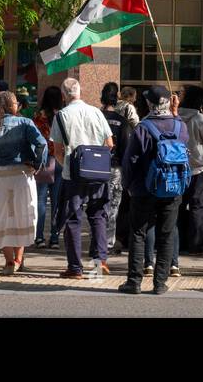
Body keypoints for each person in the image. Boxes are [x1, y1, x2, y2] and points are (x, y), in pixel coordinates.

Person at [118, 85, 188, 295]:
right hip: (173, 188)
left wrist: (127, 185)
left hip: (143, 189)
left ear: (149, 104)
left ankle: (134, 281)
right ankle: (160, 283)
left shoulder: (143, 127)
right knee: (166, 235)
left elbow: (130, 160)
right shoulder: (180, 126)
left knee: (138, 233)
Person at [0, 89, 48, 275]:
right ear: (12, 106)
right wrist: (37, 164)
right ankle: (18, 259)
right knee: (20, 215)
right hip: (20, 174)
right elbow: (42, 143)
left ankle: (8, 262)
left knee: (0, 219)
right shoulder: (25, 123)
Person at [50, 77, 115, 278]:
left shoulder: (61, 116)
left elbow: (58, 150)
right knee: (98, 217)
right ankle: (99, 264)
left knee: (72, 219)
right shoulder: (96, 112)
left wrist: (68, 166)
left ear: (63, 96)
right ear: (81, 92)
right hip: (98, 174)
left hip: (74, 175)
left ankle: (75, 268)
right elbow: (110, 143)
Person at [176, 84, 203, 255]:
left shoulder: (174, 116)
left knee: (177, 206)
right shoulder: (201, 119)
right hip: (198, 169)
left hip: (176, 169)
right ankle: (195, 243)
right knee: (197, 207)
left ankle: (177, 241)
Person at [32, 84, 65, 249]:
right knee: (57, 201)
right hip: (60, 160)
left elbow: (34, 138)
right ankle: (54, 237)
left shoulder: (39, 116)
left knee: (41, 200)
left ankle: (39, 237)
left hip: (45, 161)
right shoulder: (64, 116)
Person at [100, 83, 130, 250]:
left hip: (95, 166)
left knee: (96, 203)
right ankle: (109, 242)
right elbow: (126, 147)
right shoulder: (121, 121)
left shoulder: (95, 116)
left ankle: (96, 239)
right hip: (115, 167)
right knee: (113, 206)